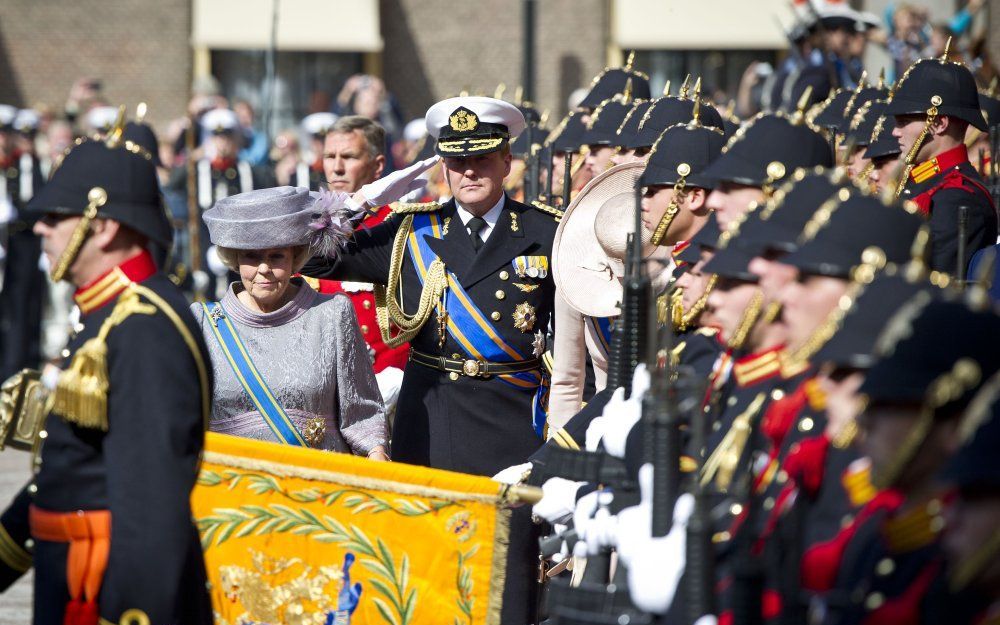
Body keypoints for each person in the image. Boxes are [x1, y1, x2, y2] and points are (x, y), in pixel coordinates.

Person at [301, 96, 557, 623]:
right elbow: (305, 250)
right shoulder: (410, 231)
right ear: (443, 166)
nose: (469, 172)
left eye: (482, 159)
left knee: (505, 580)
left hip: (512, 423)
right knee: (428, 575)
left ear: (507, 161)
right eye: (457, 162)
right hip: (432, 419)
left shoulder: (547, 232)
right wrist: (352, 206)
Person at [0, 119, 213, 623]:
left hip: (105, 592)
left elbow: (151, 506)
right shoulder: (106, 315)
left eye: (55, 216)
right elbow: (70, 475)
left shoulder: (142, 326)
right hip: (70, 577)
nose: (41, 229)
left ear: (103, 224)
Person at [192, 186, 389, 459]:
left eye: (276, 256)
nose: (264, 268)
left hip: (317, 483)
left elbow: (362, 413)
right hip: (231, 486)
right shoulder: (203, 323)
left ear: (295, 257)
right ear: (235, 258)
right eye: (251, 256)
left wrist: (376, 454)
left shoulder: (331, 314)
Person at [886, 52, 997, 275]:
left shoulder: (958, 197)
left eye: (905, 121)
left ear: (938, 123)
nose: (895, 132)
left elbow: (929, 279)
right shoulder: (921, 179)